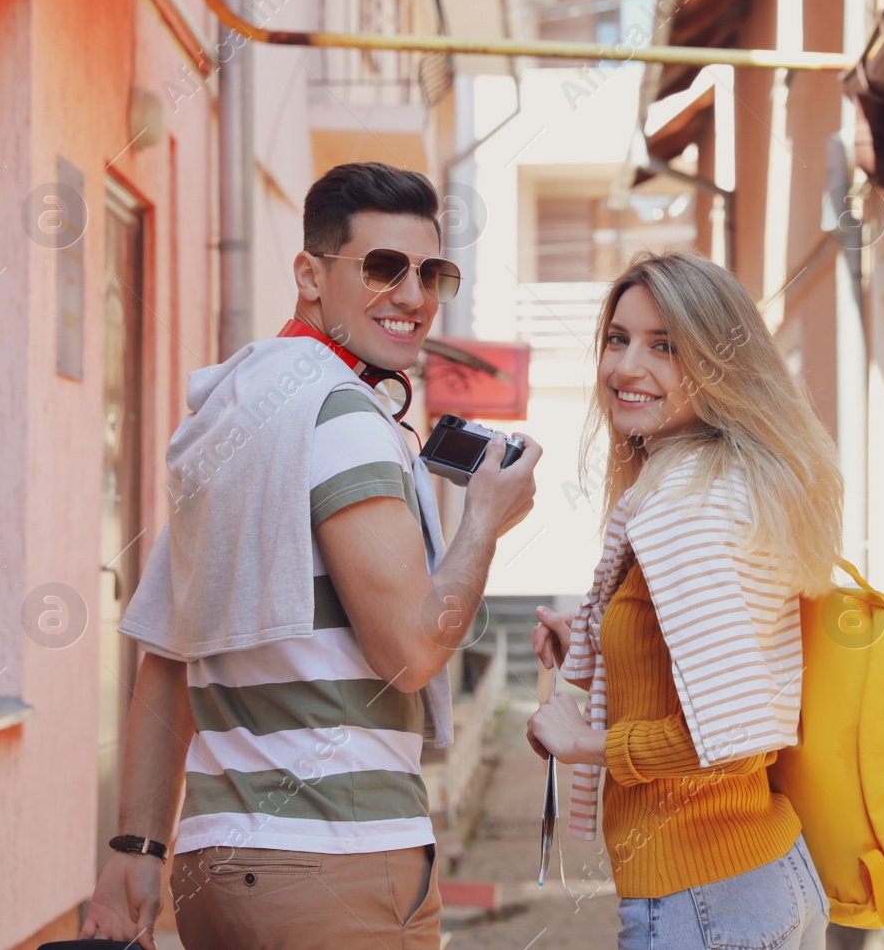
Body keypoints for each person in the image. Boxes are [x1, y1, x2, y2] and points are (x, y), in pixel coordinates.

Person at [81, 162, 540, 949]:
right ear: (308, 274)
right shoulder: (344, 415)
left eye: (431, 273)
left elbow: (167, 656)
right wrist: (484, 524)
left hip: (216, 870)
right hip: (339, 859)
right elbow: (410, 649)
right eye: (382, 267)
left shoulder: (234, 407)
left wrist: (136, 847)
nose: (413, 295)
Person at [527, 250, 840, 950]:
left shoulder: (681, 506)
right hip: (756, 878)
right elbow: (709, 652)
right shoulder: (725, 479)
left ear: (718, 363)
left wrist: (584, 741)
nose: (626, 367)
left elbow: (731, 737)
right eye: (618, 338)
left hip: (707, 900)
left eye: (664, 346)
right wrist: (598, 634)